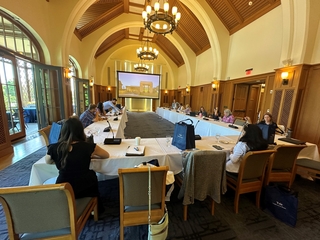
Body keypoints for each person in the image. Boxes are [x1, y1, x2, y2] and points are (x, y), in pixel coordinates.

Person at [45, 118, 110, 213]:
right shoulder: (88, 146)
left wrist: (64, 159)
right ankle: (93, 210)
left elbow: (48, 161)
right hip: (86, 186)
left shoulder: (55, 148)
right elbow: (105, 155)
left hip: (65, 186)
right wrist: (90, 156)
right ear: (81, 131)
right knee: (92, 175)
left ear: (63, 131)